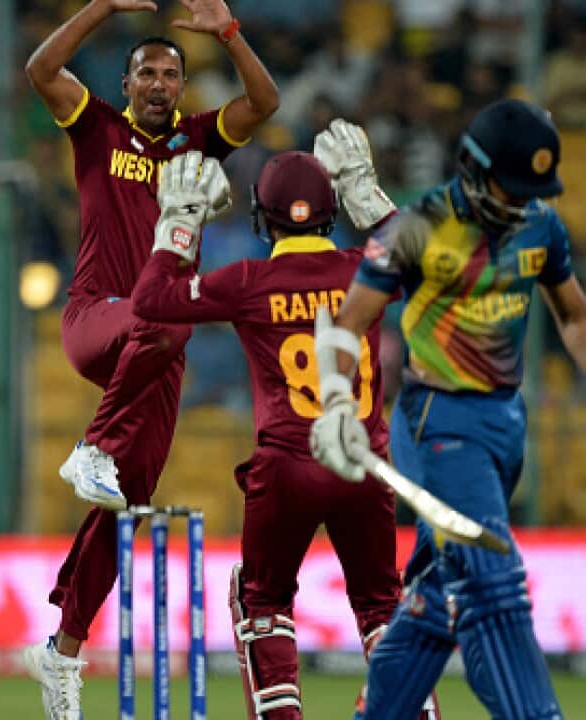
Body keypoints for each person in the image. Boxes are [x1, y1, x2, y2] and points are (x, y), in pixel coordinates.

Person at [308, 104, 586, 719]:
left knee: (441, 595)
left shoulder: (540, 226)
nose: (521, 203)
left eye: (531, 192)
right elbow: (349, 320)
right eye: (511, 188)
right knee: (491, 579)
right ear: (474, 168)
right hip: (435, 422)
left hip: (503, 424)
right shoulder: (415, 229)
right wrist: (335, 401)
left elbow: (571, 312)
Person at [20, 1, 279, 718]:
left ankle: (61, 653)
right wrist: (101, 5)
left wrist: (229, 34)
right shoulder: (96, 127)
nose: (160, 83)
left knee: (124, 508)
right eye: (147, 73)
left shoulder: (200, 141)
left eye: (171, 73)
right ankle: (93, 447)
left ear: (182, 87)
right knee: (167, 312)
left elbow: (265, 101)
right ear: (128, 84)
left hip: (159, 351)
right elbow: (40, 69)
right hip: (95, 318)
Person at [130, 151, 438, 719]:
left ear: (262, 218)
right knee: (380, 607)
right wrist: (369, 196)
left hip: (286, 468)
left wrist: (178, 223)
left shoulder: (250, 280)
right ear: (330, 212)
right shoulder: (361, 267)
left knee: (264, 602)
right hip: (362, 465)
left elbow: (149, 303)